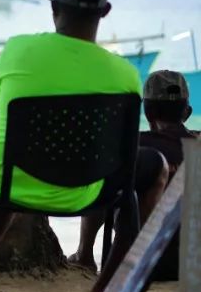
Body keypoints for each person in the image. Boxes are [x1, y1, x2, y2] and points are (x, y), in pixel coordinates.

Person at [0, 0, 163, 292]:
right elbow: (125, 152)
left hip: (10, 179)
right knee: (153, 166)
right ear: (106, 11)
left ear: (54, 6)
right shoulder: (126, 76)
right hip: (87, 191)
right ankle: (107, 285)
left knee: (6, 159)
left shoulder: (17, 51)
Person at [69, 69, 196, 279]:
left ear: (147, 113)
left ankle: (85, 255)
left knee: (106, 182)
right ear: (187, 113)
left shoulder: (133, 147)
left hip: (150, 264)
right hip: (193, 265)